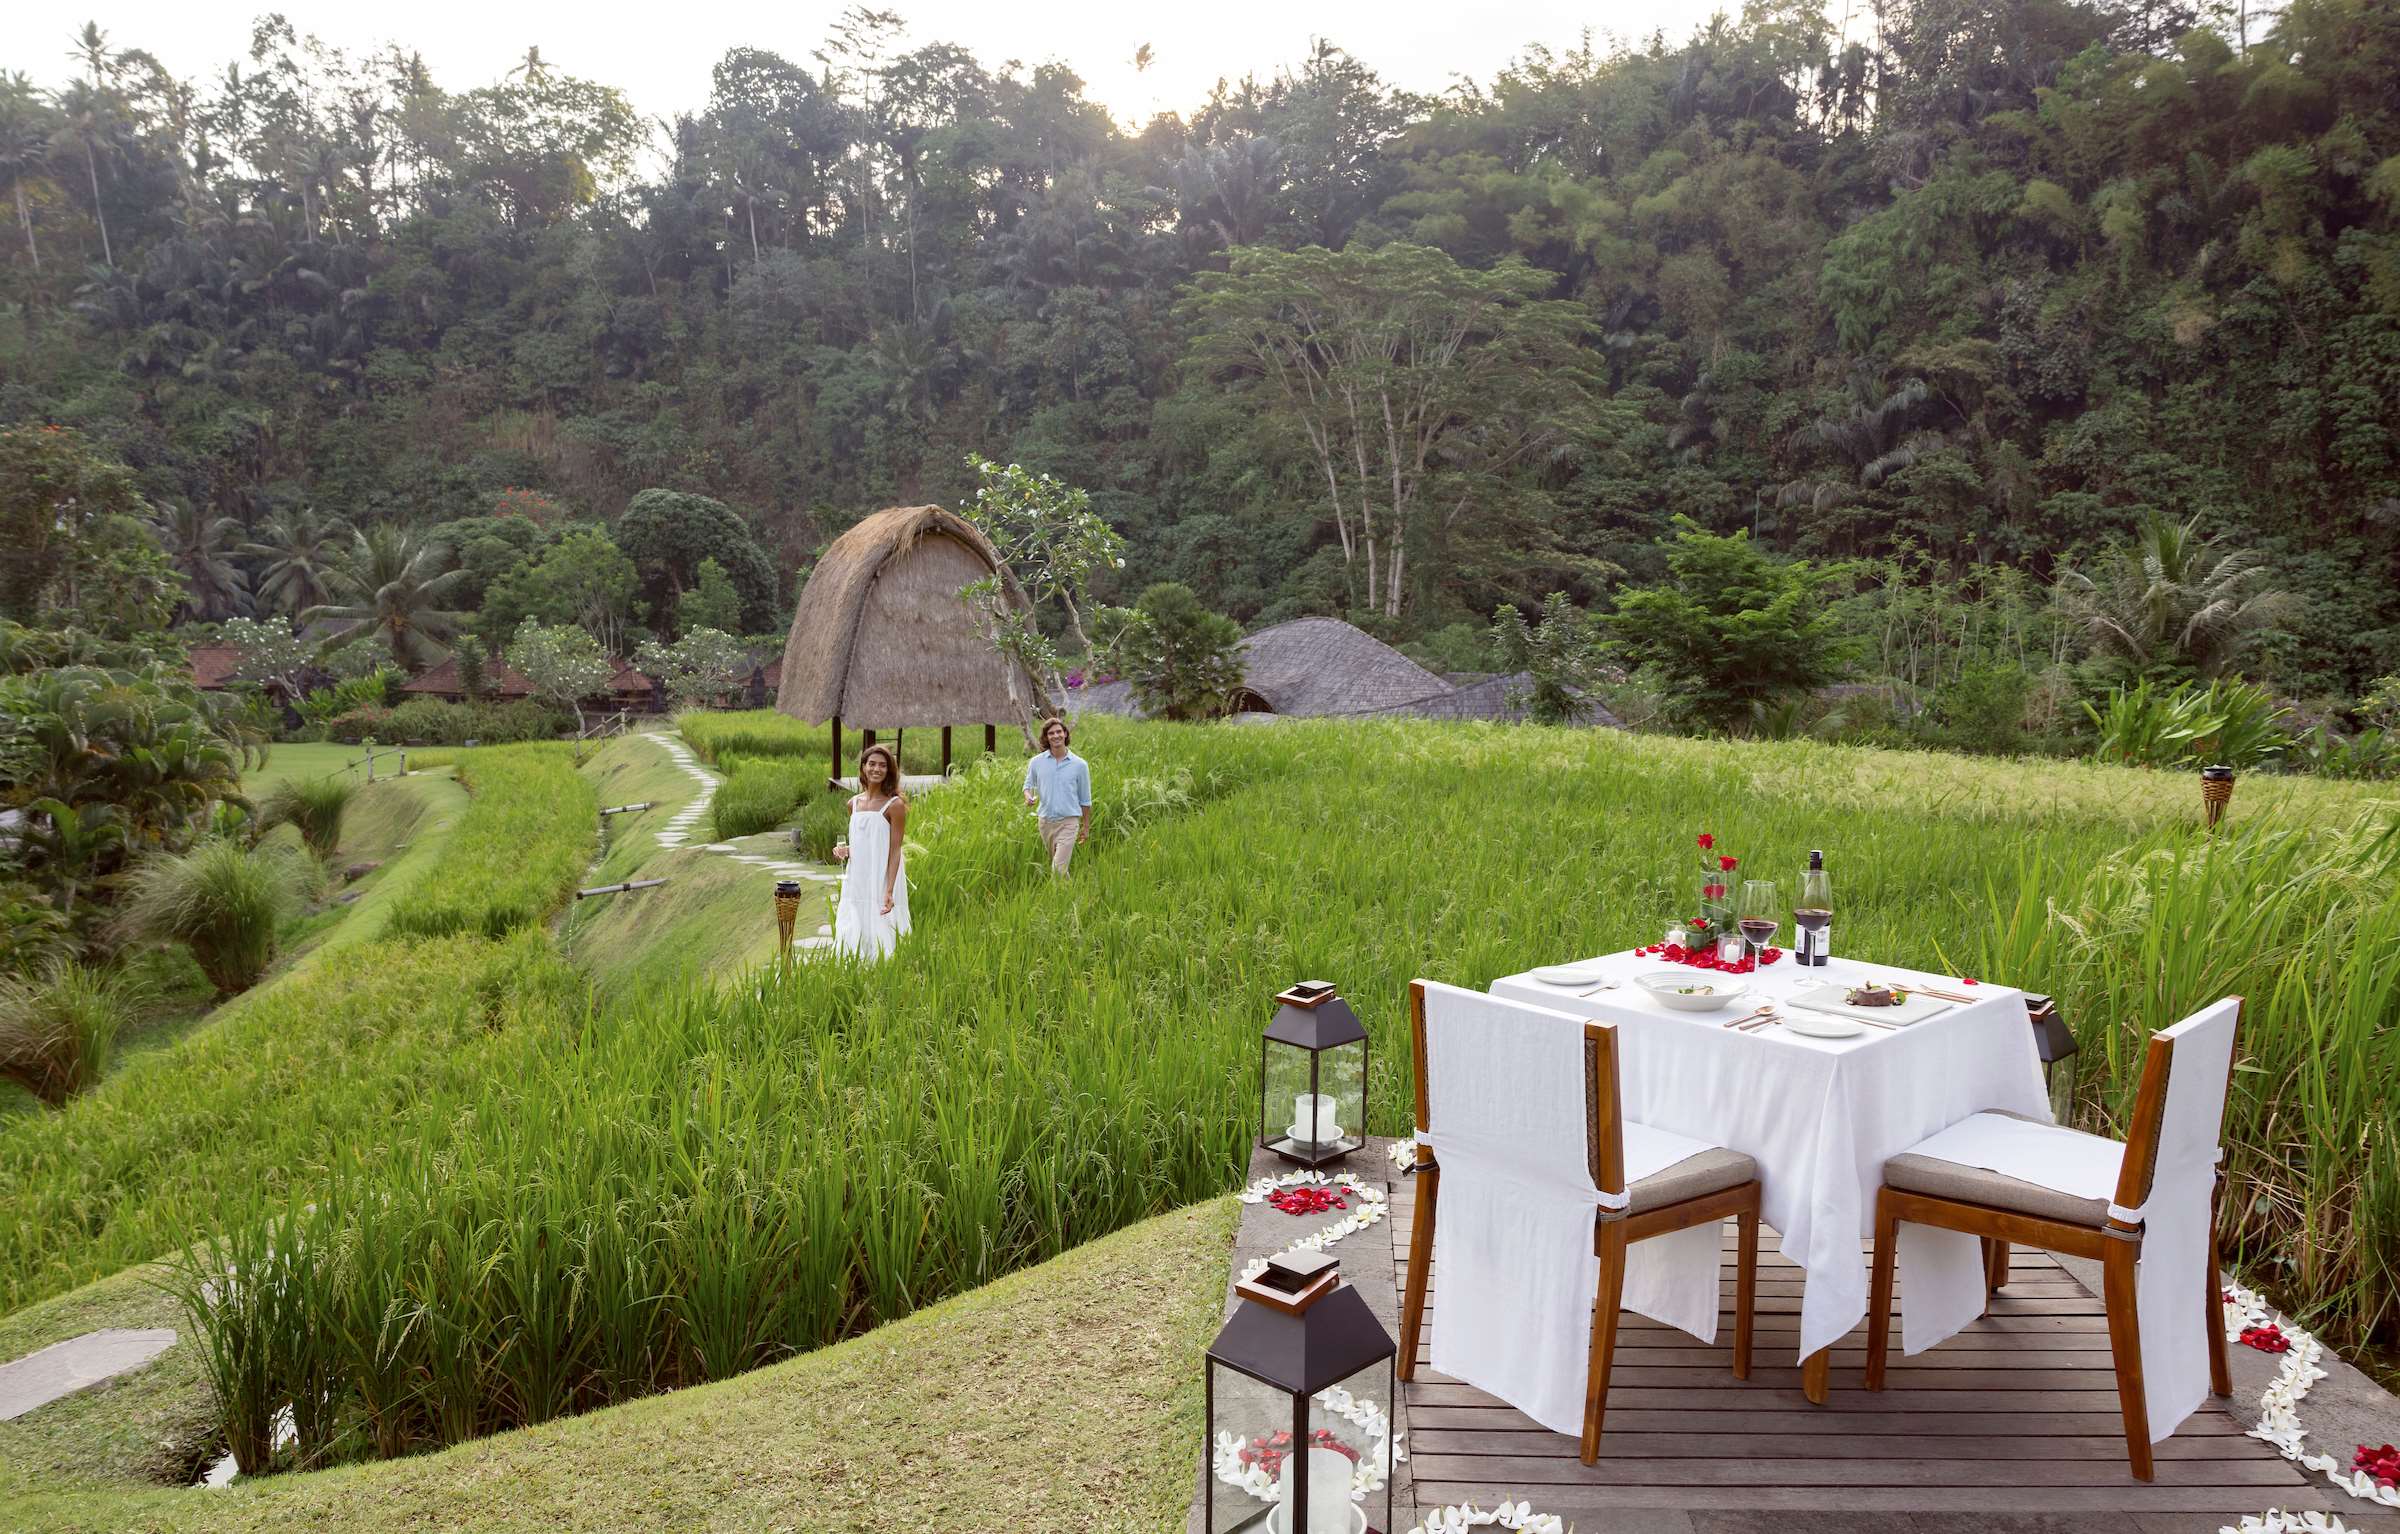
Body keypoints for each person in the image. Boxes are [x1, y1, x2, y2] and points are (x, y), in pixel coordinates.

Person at [831, 743, 910, 957]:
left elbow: (895, 850)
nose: (876, 769)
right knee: (855, 917)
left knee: (882, 923)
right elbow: (865, 843)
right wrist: (845, 850)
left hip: (882, 875)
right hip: (858, 875)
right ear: (863, 767)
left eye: (882, 765)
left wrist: (889, 890)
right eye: (872, 764)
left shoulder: (895, 805)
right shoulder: (853, 804)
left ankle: (884, 968)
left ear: (889, 770)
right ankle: (854, 965)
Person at [1021, 717, 1092, 877]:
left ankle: (1060, 892)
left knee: (1057, 870)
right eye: (1051, 733)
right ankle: (1071, 892)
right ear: (1046, 737)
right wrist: (1028, 797)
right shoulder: (1036, 762)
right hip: (1045, 823)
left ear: (1065, 734)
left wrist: (1086, 827)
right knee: (1059, 868)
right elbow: (1028, 786)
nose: (1056, 736)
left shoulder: (1080, 765)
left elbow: (1085, 800)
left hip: (1068, 822)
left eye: (1059, 731)